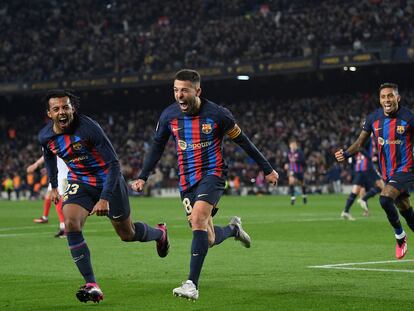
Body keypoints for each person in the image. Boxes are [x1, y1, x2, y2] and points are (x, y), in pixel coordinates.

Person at [131, 69, 278, 300]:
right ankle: (233, 230)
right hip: (186, 180)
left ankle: (191, 284)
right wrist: (143, 175)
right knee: (207, 238)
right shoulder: (169, 116)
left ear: (197, 91)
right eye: (176, 90)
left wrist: (267, 168)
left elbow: (244, 142)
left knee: (199, 219)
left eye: (185, 90)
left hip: (213, 174)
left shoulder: (218, 115)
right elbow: (157, 147)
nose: (179, 95)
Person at [39, 89, 169, 303]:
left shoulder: (89, 129)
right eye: (56, 109)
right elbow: (48, 155)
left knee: (127, 234)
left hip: (109, 181)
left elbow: (113, 164)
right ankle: (92, 284)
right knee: (71, 223)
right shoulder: (46, 136)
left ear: (73, 109)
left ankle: (159, 233)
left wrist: (104, 198)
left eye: (66, 107)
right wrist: (53, 186)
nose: (62, 112)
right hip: (80, 181)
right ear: (50, 113)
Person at [335, 82, 414, 260]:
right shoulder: (373, 119)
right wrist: (346, 153)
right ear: (380, 100)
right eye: (383, 97)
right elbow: (359, 143)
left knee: (385, 199)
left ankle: (400, 237)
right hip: (388, 172)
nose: (387, 100)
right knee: (405, 209)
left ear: (397, 98)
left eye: (390, 96)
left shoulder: (409, 118)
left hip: (406, 169)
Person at [27, 155, 68, 238]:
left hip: (63, 175)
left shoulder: (54, 142)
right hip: (57, 174)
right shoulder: (51, 143)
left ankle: (64, 228)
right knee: (49, 195)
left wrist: (36, 165)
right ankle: (45, 217)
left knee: (57, 198)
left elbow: (48, 154)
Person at [284, 140, 307, 205]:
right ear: (290, 146)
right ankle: (293, 198)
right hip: (292, 170)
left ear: (296, 146)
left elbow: (303, 161)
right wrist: (286, 164)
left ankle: (304, 196)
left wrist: (296, 160)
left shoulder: (300, 152)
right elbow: (287, 160)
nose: (293, 146)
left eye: (294, 145)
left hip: (299, 171)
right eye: (292, 145)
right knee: (291, 181)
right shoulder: (288, 153)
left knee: (302, 184)